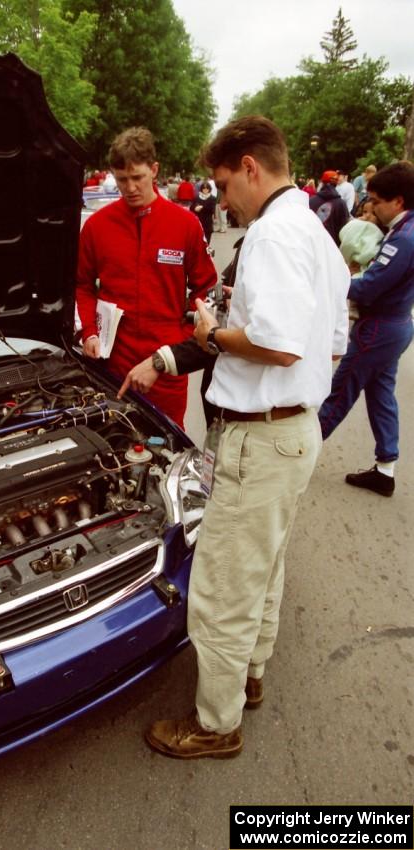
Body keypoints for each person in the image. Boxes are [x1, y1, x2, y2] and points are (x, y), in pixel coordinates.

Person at [120, 115, 349, 760]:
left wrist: (210, 338)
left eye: (223, 185)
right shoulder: (316, 234)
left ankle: (214, 725)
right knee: (264, 567)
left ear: (251, 166)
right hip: (295, 434)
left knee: (221, 588)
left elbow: (275, 343)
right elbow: (331, 347)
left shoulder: (274, 235)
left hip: (261, 436)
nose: (222, 201)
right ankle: (249, 674)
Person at [76, 126, 216, 428]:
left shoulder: (186, 224)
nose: (130, 188)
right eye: (122, 179)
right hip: (113, 360)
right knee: (113, 442)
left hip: (166, 362)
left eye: (137, 177)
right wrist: (89, 331)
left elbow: (205, 289)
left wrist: (181, 345)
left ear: (154, 170)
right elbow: (82, 285)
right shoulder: (97, 227)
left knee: (168, 446)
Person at [319, 161, 414, 497]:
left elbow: (368, 287)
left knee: (339, 390)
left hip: (378, 329)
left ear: (398, 201)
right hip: (396, 325)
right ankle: (385, 468)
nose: (371, 206)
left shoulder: (403, 238)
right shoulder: (404, 232)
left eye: (376, 200)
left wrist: (331, 278)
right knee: (381, 396)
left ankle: (298, 456)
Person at [309, 170, 350, 245]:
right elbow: (344, 229)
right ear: (336, 183)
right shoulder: (341, 204)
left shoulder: (311, 201)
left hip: (313, 244)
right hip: (333, 247)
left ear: (322, 182)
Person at [190, 180, 217, 247]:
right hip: (198, 221)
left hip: (207, 222)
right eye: (204, 188)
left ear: (209, 189)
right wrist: (195, 208)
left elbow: (212, 209)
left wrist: (202, 207)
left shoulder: (212, 198)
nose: (205, 190)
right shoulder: (196, 197)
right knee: (197, 241)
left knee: (206, 242)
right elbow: (191, 207)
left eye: (207, 188)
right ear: (201, 189)